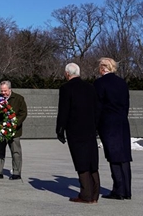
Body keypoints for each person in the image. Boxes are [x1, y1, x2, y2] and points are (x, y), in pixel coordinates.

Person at [56, 63, 100, 204]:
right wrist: (96, 126)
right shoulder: (90, 87)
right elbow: (96, 109)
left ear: (67, 74)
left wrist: (60, 128)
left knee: (81, 161)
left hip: (75, 130)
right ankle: (94, 195)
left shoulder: (66, 88)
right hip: (90, 129)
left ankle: (86, 195)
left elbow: (64, 110)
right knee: (92, 160)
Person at [94, 57, 132, 200]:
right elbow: (126, 104)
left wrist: (95, 125)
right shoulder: (122, 83)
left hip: (108, 123)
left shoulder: (99, 83)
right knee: (124, 157)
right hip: (122, 122)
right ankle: (127, 190)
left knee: (113, 156)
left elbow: (97, 106)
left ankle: (118, 190)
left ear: (103, 68)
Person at [0, 81, 28, 180]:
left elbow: (23, 113)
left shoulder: (19, 98)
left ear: (10, 89)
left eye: (5, 91)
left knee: (16, 152)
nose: (3, 93)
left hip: (14, 130)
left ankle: (16, 173)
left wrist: (15, 124)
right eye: (2, 91)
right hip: (0, 130)